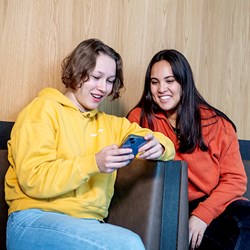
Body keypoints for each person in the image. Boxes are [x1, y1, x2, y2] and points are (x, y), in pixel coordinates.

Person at [5, 39, 175, 250]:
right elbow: (34, 179)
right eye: (96, 77)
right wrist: (94, 163)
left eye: (110, 80)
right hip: (34, 220)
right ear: (77, 71)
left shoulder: (111, 124)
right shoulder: (42, 110)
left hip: (88, 225)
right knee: (128, 244)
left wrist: (159, 146)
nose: (103, 88)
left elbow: (165, 142)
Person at [127, 49, 250, 250]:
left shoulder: (217, 123)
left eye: (170, 80)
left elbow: (235, 180)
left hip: (214, 204)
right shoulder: (139, 118)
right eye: (154, 82)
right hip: (169, 206)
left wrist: (202, 215)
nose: (161, 89)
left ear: (184, 82)